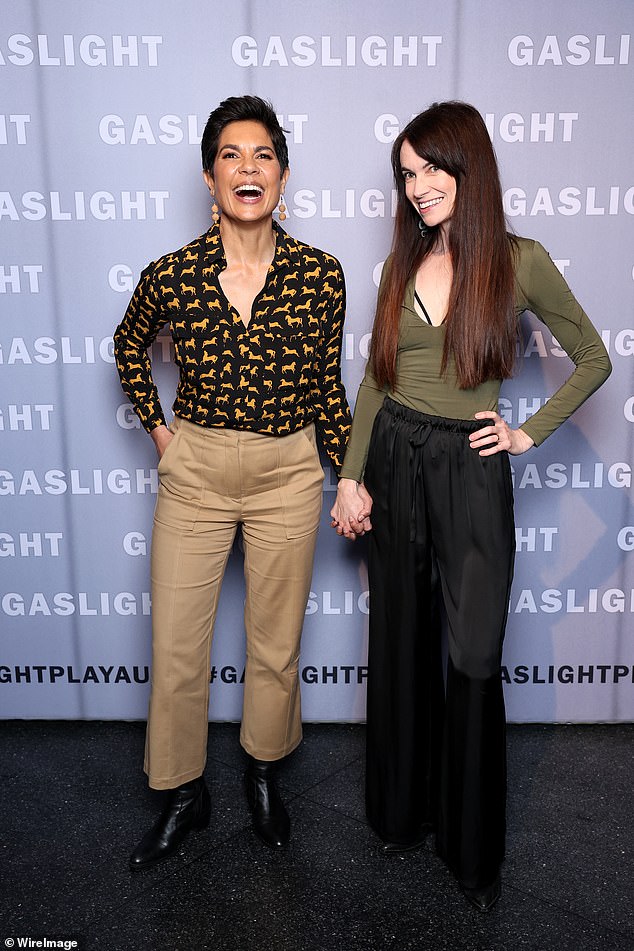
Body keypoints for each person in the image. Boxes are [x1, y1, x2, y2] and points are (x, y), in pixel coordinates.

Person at [330, 101, 611, 912]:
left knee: (473, 654)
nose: (417, 188)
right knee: (403, 644)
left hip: (471, 467)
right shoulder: (396, 267)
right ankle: (401, 817)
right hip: (394, 459)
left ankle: (469, 846)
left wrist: (526, 436)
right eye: (406, 174)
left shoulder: (522, 260)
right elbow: (376, 382)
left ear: (469, 165)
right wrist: (351, 476)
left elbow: (592, 358)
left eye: (430, 169)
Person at [114, 95, 351, 871]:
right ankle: (184, 793)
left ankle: (261, 772)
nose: (248, 168)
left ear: (282, 175)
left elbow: (327, 388)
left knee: (274, 648)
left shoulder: (321, 275)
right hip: (197, 472)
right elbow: (127, 348)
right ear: (209, 176)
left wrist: (350, 474)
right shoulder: (174, 272)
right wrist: (161, 433)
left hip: (289, 471)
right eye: (231, 155)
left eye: (264, 156)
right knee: (177, 647)